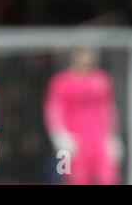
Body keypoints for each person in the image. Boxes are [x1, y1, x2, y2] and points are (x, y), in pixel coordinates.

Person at [44, 47, 123, 184]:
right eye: (83, 54)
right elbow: (53, 110)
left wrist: (112, 137)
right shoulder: (61, 82)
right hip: (73, 143)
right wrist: (59, 136)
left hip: (100, 142)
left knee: (109, 178)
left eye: (90, 54)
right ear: (75, 56)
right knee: (72, 178)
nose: (87, 59)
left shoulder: (102, 80)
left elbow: (109, 110)